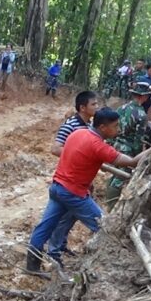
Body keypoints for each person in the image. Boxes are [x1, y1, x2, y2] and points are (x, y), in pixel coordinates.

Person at [25, 108, 151, 274]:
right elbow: (133, 162)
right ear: (102, 127)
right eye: (115, 126)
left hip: (57, 188)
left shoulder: (78, 133)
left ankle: (32, 266)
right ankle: (106, 268)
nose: (118, 130)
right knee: (106, 228)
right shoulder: (98, 146)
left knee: (44, 227)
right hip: (74, 194)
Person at [47, 91, 100, 263]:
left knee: (71, 215)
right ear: (82, 107)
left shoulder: (89, 126)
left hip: (82, 180)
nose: (96, 107)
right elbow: (56, 149)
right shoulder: (70, 125)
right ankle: (53, 250)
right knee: (65, 214)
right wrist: (77, 158)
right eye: (93, 104)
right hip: (70, 179)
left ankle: (59, 245)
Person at [105, 82, 151, 210]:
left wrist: (109, 144)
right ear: (144, 97)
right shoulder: (141, 115)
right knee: (120, 178)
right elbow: (138, 139)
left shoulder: (121, 108)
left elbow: (113, 128)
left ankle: (108, 200)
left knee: (114, 173)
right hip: (128, 150)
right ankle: (111, 206)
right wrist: (137, 158)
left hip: (116, 145)